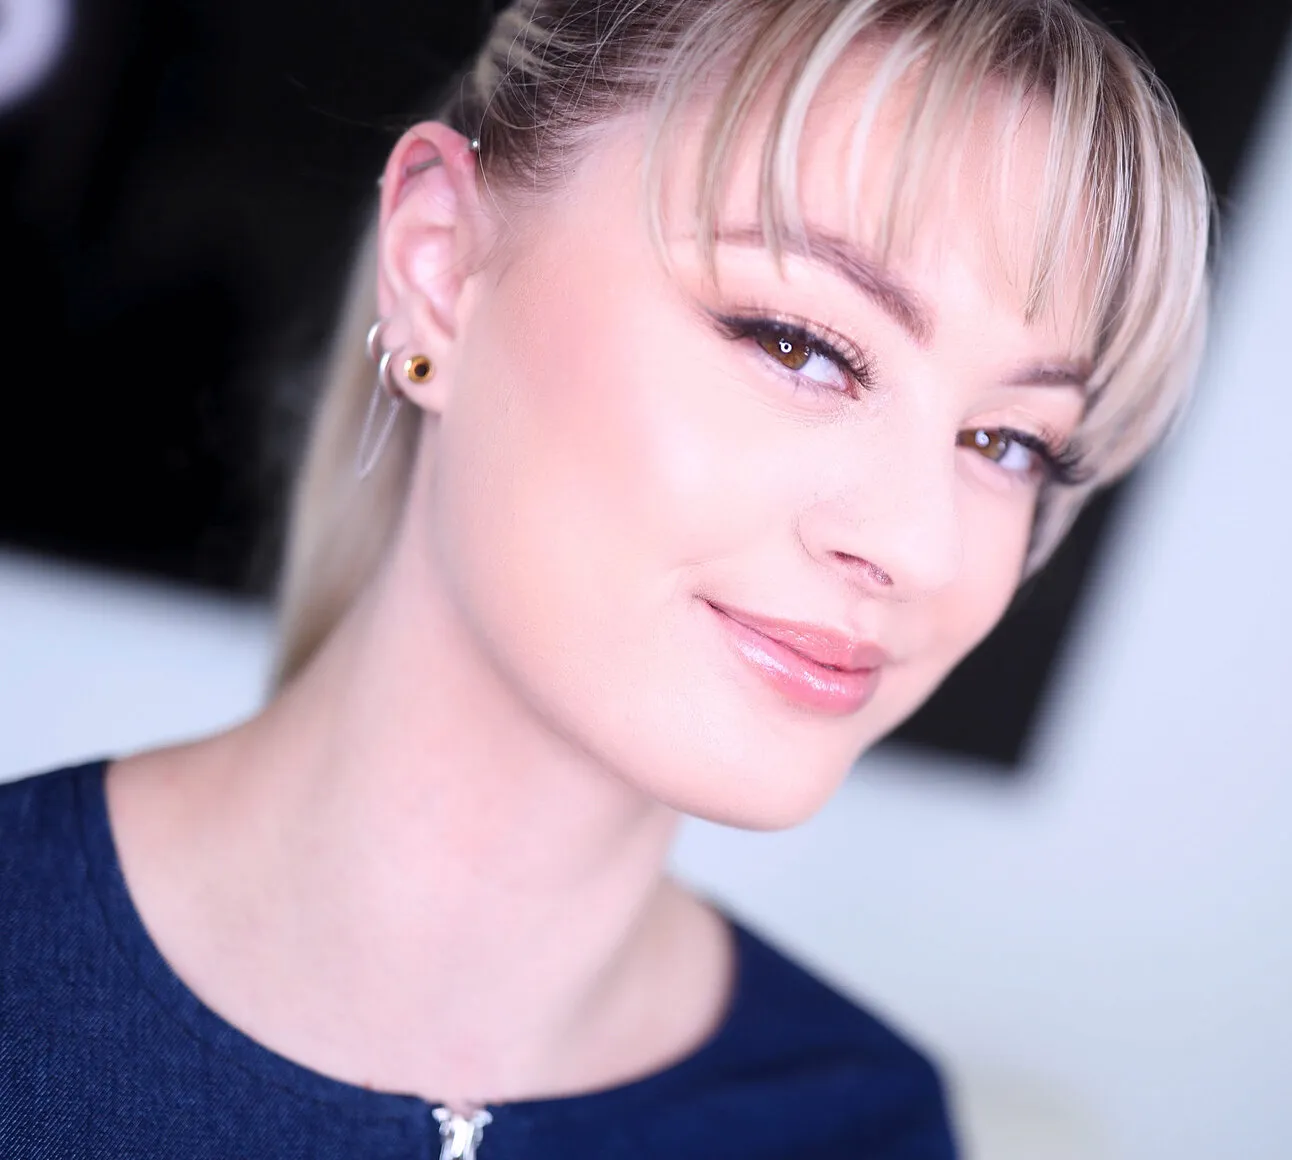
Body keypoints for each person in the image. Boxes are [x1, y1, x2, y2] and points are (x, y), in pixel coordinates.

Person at [0, 0, 1210, 1155]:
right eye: (799, 344)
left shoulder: (865, 1123)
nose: (919, 545)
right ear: (440, 265)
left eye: (1008, 442)